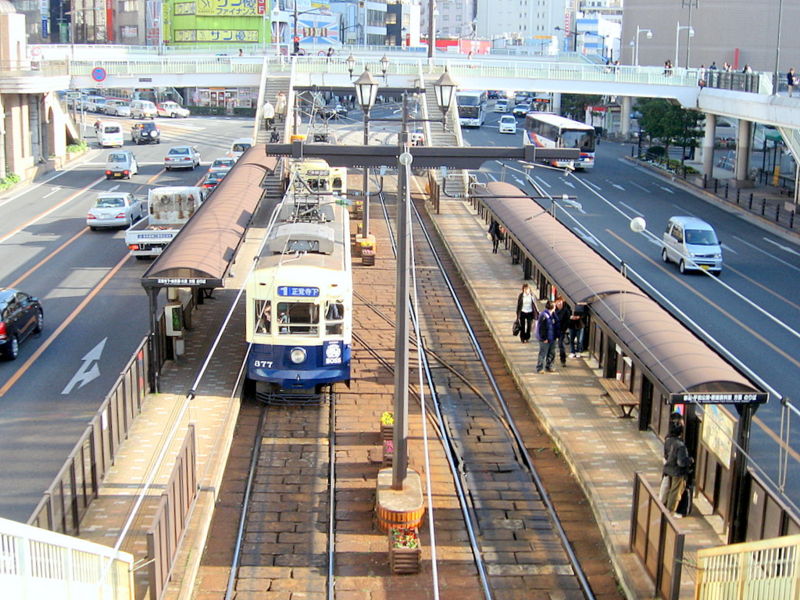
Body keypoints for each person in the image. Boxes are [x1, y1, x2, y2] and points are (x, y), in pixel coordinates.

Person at [659, 420, 693, 516]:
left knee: (667, 490)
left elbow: (666, 454)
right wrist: (690, 460)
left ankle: (663, 508)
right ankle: (670, 512)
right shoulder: (681, 446)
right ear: (681, 433)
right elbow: (681, 462)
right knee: (675, 492)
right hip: (677, 472)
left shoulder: (668, 441)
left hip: (668, 469)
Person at [535, 300, 558, 373]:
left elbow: (557, 325)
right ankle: (540, 368)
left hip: (552, 337)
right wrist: (544, 338)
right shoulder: (544, 315)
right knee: (543, 353)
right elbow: (542, 328)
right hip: (545, 339)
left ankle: (549, 366)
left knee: (551, 353)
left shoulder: (553, 315)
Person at [553, 297, 571, 366]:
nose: (559, 303)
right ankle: (550, 361)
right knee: (551, 346)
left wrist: (564, 329)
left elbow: (567, 321)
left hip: (561, 331)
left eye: (560, 302)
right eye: (558, 302)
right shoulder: (553, 310)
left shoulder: (566, 311)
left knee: (561, 345)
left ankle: (563, 360)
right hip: (554, 330)